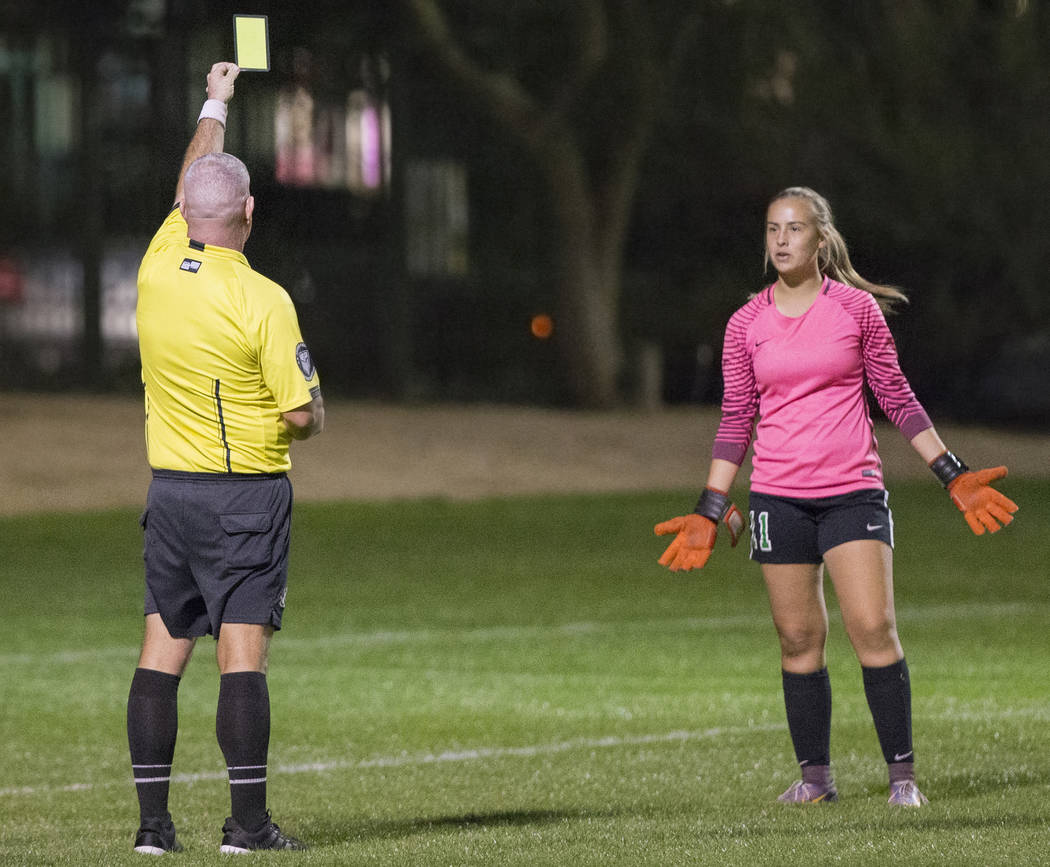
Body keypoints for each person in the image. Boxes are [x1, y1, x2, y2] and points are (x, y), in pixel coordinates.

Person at [654, 186, 1017, 808]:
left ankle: (902, 778)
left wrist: (950, 472)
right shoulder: (746, 323)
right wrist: (712, 506)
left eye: (794, 229)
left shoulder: (855, 311)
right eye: (773, 229)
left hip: (852, 492)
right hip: (777, 499)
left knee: (873, 627)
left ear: (821, 239)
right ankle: (816, 781)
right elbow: (737, 418)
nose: (782, 240)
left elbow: (896, 398)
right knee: (797, 639)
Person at [127, 61, 324, 854]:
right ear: (249, 210)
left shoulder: (155, 265)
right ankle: (246, 826)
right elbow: (301, 415)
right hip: (243, 497)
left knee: (160, 652)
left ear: (184, 212)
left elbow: (190, 180)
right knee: (242, 658)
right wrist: (314, 411)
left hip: (169, 493)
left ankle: (152, 827)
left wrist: (216, 102)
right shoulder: (263, 297)